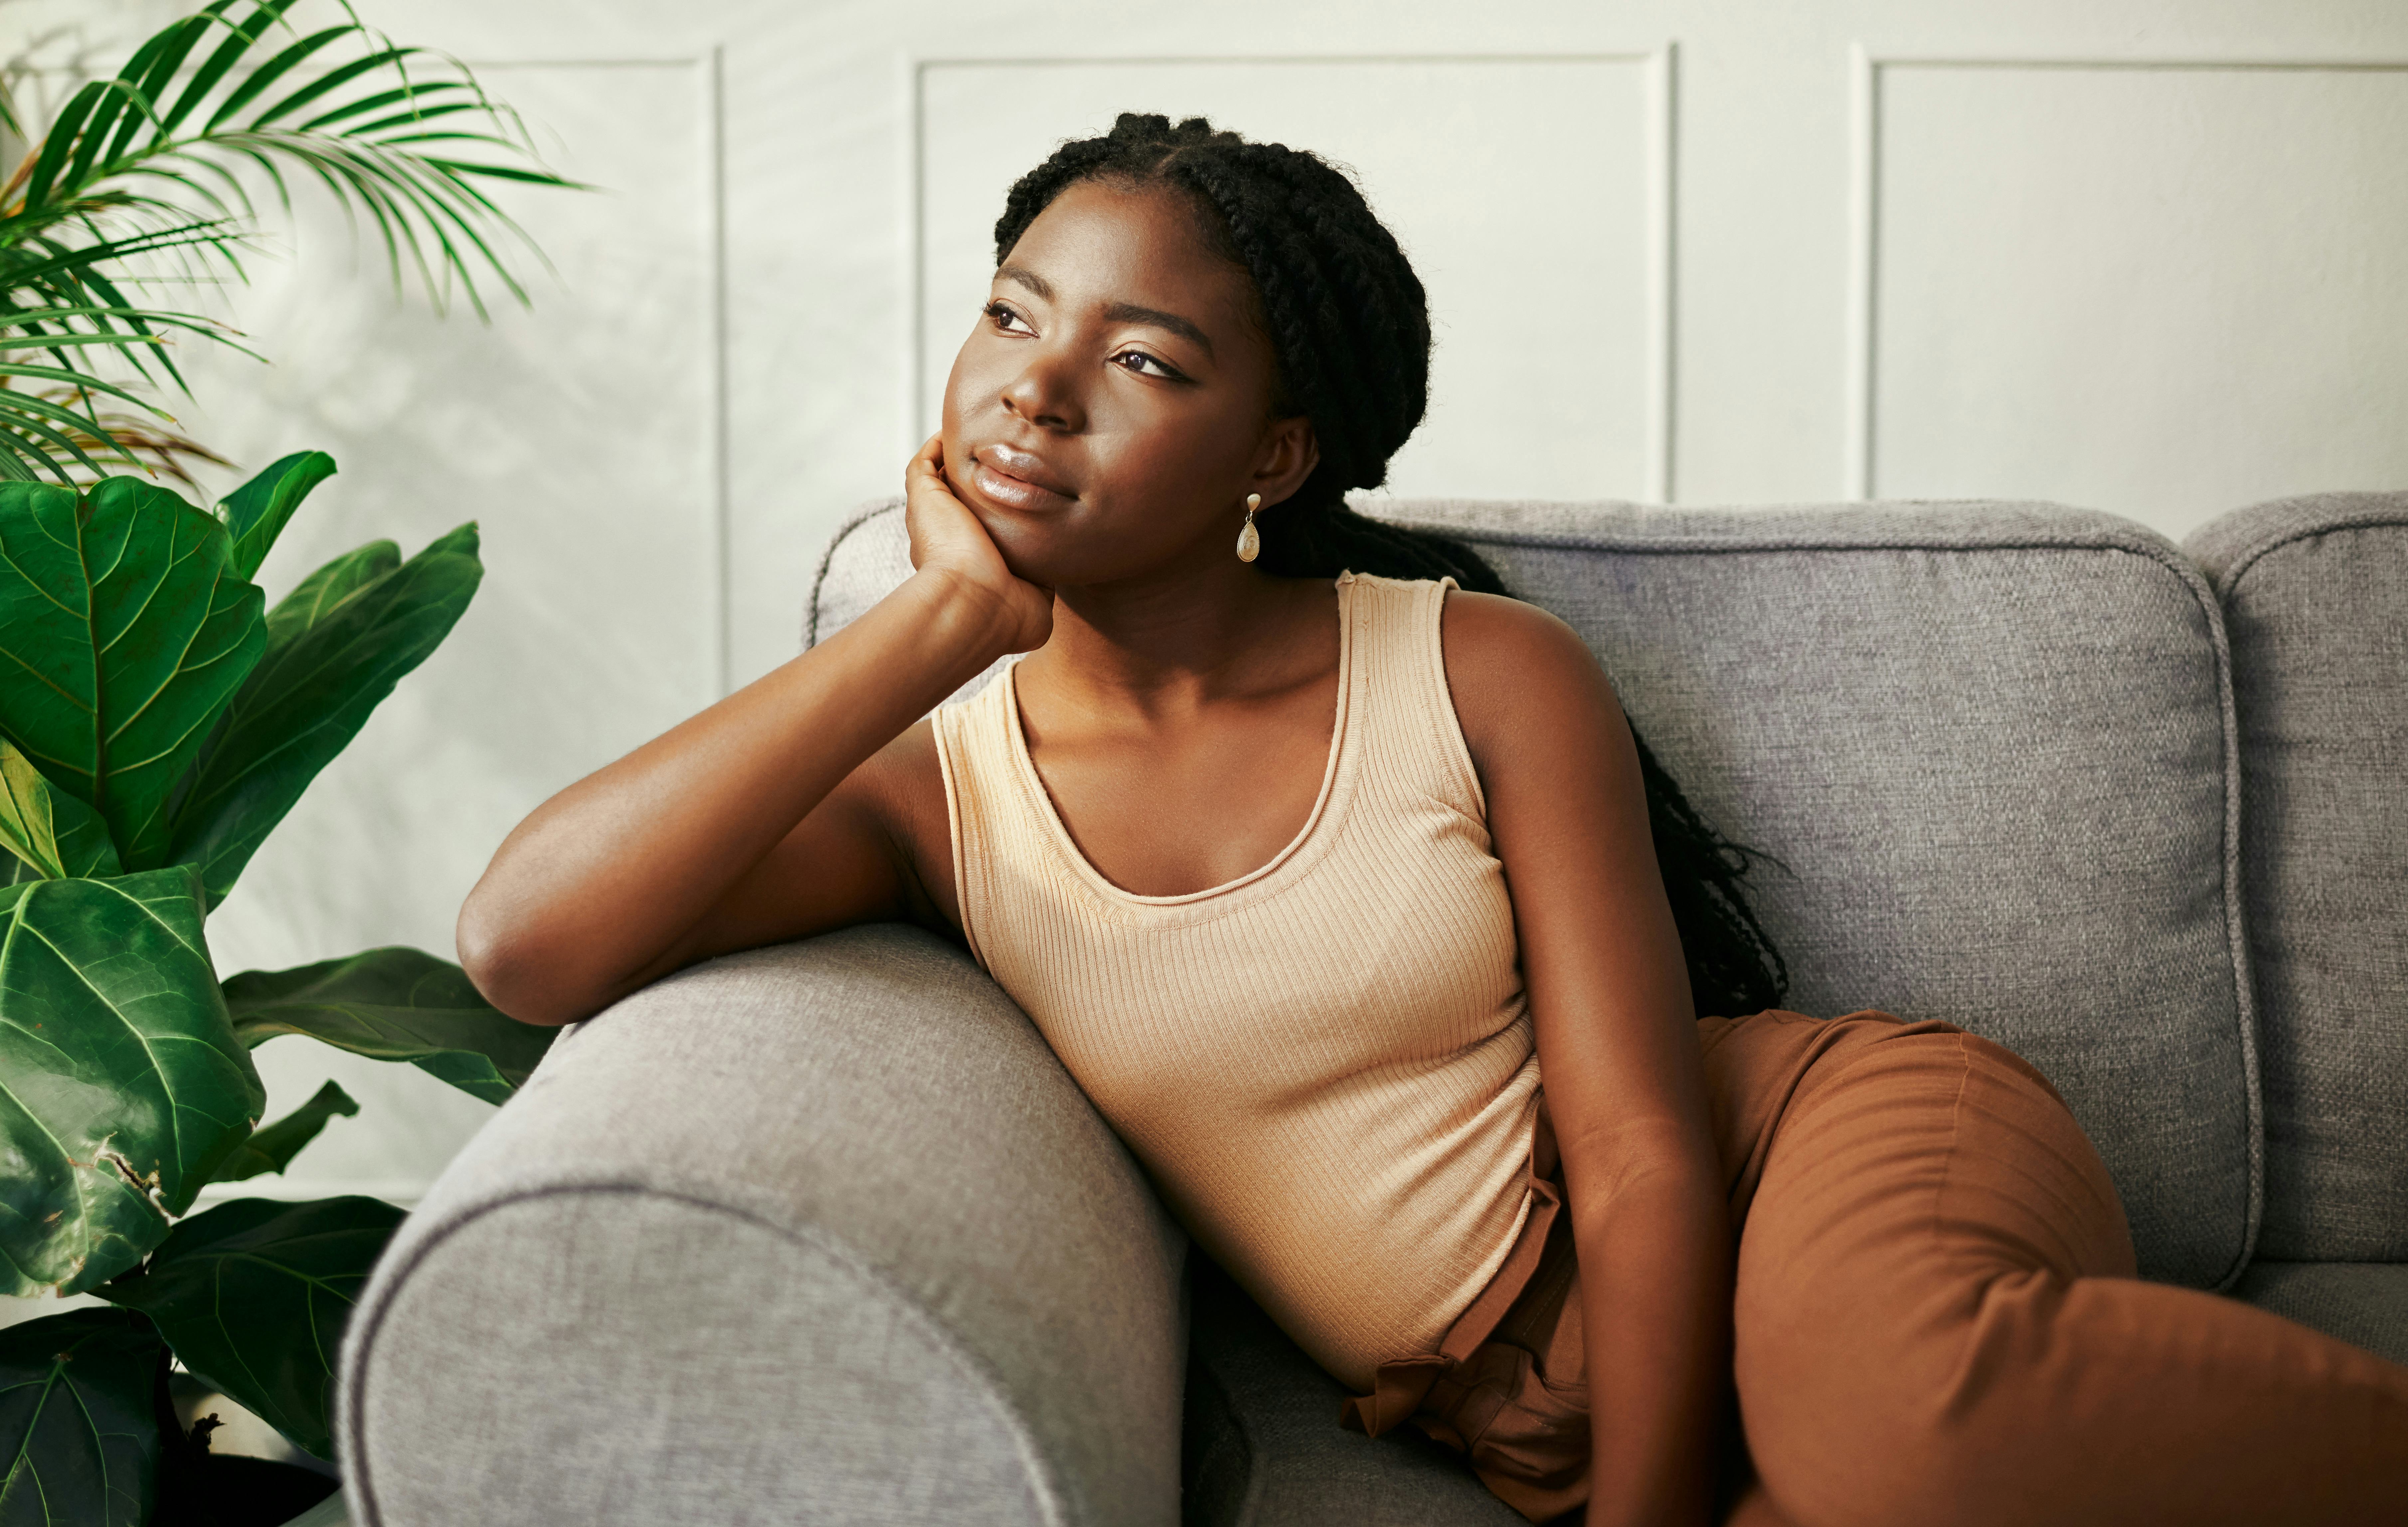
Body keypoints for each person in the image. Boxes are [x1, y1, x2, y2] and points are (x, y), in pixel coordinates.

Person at [456, 113, 2408, 1527]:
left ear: (1274, 453)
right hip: (1557, 1382)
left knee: (1907, 1436)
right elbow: (526, 947)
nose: (1034, 391)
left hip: (1819, 1151)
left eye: (1143, 361)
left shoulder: (1476, 667)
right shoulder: (935, 786)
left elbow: (1641, 1155)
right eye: (1008, 316)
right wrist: (945, 617)